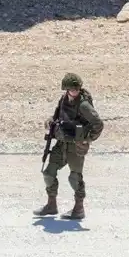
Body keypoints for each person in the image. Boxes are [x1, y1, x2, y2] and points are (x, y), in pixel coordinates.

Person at [33, 73, 104, 220]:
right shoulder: (64, 99)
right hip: (61, 143)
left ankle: (79, 209)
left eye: (76, 89)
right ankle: (51, 205)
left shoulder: (83, 105)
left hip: (75, 146)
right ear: (66, 89)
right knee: (48, 173)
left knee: (75, 178)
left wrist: (87, 140)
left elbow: (98, 124)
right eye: (71, 89)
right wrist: (50, 121)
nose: (74, 92)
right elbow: (56, 116)